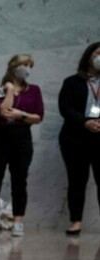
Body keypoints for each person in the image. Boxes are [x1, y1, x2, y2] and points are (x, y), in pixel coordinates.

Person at [0, 53, 44, 238]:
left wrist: (21, 115)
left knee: (19, 179)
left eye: (29, 65)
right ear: (13, 67)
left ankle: (18, 222)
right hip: (0, 137)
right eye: (23, 64)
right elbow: (2, 112)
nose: (27, 69)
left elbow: (38, 116)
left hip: (22, 137)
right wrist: (9, 91)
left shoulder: (34, 90)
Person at [58, 42, 100, 236]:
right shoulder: (72, 82)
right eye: (98, 53)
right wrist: (84, 122)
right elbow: (65, 108)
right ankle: (76, 221)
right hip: (75, 138)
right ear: (89, 57)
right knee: (77, 180)